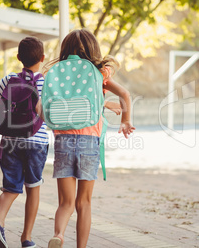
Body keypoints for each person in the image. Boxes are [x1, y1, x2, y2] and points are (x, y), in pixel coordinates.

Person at [45, 29, 135, 248]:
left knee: (65, 203)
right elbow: (124, 94)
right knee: (83, 203)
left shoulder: (57, 72)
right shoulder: (99, 72)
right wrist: (125, 120)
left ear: (65, 50)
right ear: (93, 49)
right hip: (89, 142)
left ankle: (58, 234)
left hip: (63, 141)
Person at [0, 36, 49, 248]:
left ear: (18, 57)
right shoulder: (45, 82)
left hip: (9, 142)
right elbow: (47, 113)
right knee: (33, 188)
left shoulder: (9, 79)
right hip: (35, 142)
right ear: (43, 58)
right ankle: (26, 238)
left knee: (10, 189)